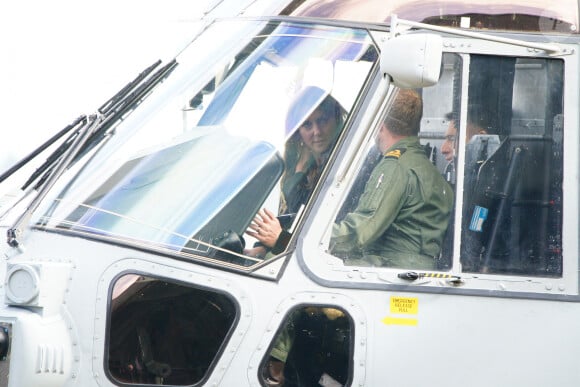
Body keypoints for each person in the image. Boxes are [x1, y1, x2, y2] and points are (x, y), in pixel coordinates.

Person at [330, 89, 454, 270]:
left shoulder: (395, 166)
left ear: (380, 124)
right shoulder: (426, 167)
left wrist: (305, 239)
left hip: (391, 271)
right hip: (416, 269)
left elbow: (361, 231)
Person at [245, 86, 347, 256]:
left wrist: (279, 241)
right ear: (298, 132)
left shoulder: (343, 163)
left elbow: (323, 236)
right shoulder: (304, 165)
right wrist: (261, 248)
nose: (317, 131)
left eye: (322, 121)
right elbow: (289, 218)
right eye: (307, 125)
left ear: (336, 120)